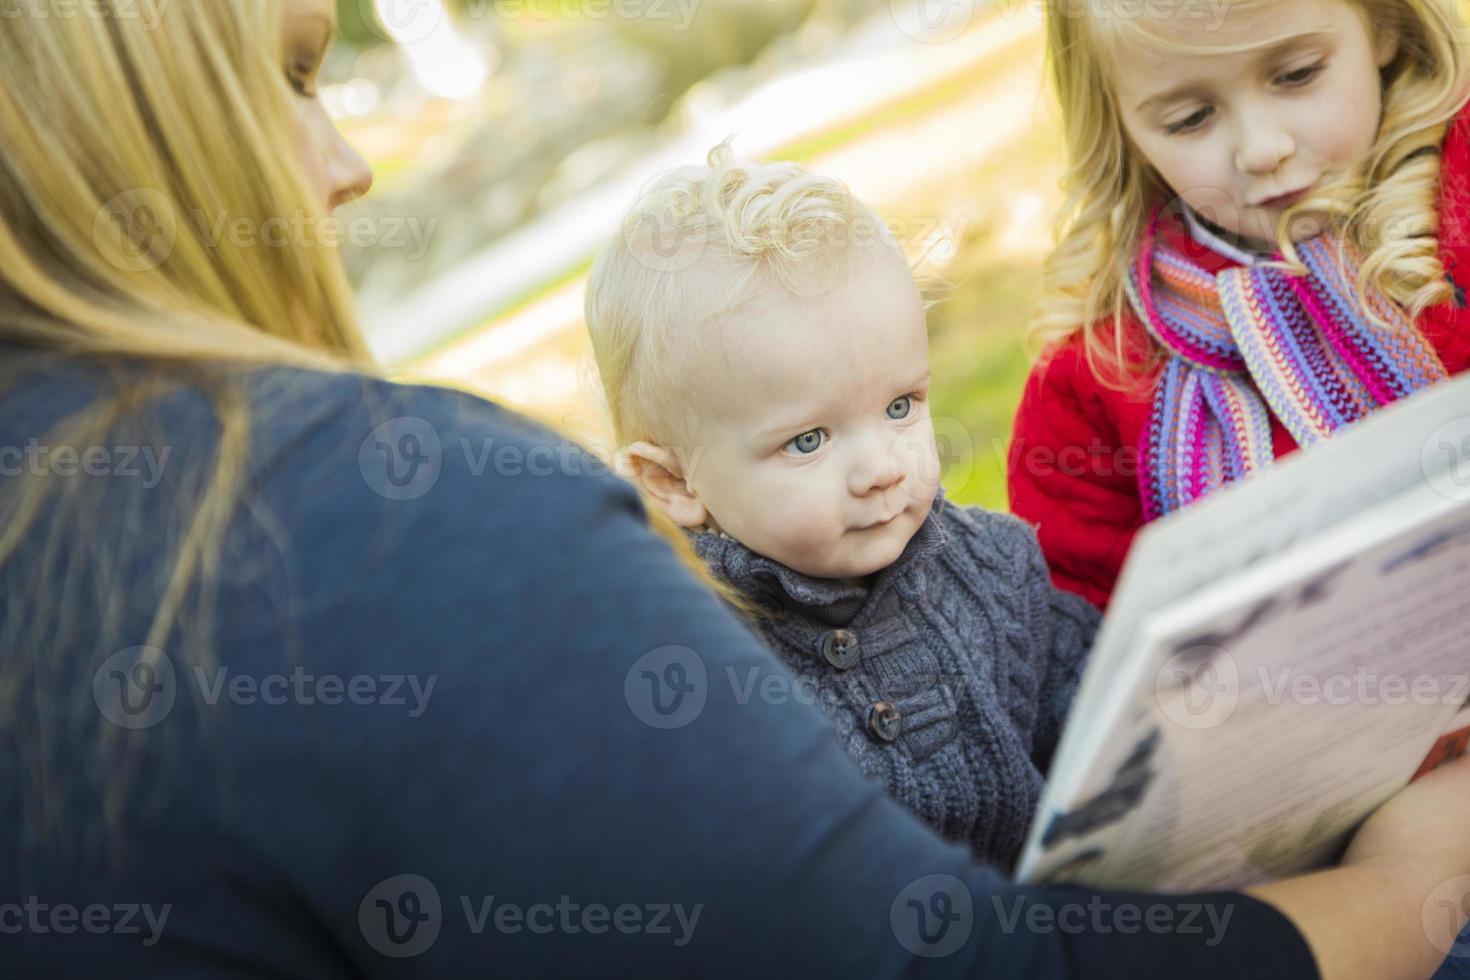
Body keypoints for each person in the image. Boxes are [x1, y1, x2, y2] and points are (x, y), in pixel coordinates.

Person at [2, 1, 1469, 977]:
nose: (342, 167)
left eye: (900, 406)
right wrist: (1398, 899)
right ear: (671, 483)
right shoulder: (640, 636)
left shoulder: (982, 568)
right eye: (293, 75)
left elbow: (1115, 696)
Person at [583, 147, 1101, 871]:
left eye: (900, 406)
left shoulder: (995, 575)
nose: (882, 468)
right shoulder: (699, 663)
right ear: (672, 483)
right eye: (808, 441)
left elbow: (1105, 713)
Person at [1007, 0, 1470, 609]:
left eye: (1298, 74)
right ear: (1122, 128)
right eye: (1191, 117)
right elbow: (1081, 647)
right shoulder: (1093, 387)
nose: (1261, 148)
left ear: (1382, 25)